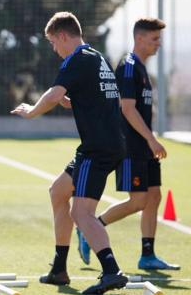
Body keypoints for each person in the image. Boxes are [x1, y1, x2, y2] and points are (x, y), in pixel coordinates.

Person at [11, 12, 128, 295]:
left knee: (81, 212)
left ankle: (112, 271)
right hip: (105, 143)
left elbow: (52, 95)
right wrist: (69, 101)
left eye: (53, 42)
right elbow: (91, 96)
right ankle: (59, 269)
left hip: (97, 148)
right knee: (58, 191)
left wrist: (32, 111)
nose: (54, 49)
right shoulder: (95, 57)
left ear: (64, 36)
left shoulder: (76, 58)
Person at [75, 18, 179, 271]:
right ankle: (91, 228)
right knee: (139, 200)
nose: (158, 44)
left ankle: (147, 255)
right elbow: (127, 108)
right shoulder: (129, 66)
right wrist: (151, 139)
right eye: (154, 39)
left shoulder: (142, 68)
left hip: (144, 145)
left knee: (154, 196)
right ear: (140, 38)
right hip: (132, 146)